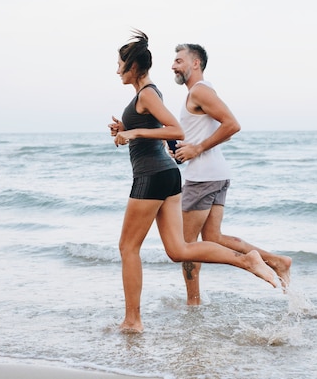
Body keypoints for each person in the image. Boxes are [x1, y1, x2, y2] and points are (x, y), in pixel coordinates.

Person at [109, 31, 279, 333]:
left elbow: (176, 130)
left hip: (151, 176)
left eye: (120, 64)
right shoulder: (147, 94)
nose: (117, 70)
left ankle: (133, 321)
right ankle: (247, 260)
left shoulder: (147, 93)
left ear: (133, 67)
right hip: (166, 176)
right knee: (178, 249)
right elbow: (154, 126)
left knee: (128, 247)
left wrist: (135, 133)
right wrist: (125, 127)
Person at [171, 43, 292, 306]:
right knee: (214, 239)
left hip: (203, 177)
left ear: (195, 63)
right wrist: (185, 149)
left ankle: (193, 303)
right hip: (215, 173)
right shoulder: (200, 92)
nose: (173, 66)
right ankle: (278, 261)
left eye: (179, 60)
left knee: (186, 245)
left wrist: (198, 149)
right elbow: (200, 133)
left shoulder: (200, 91)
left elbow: (232, 124)